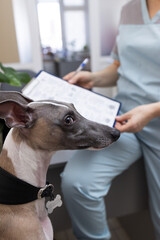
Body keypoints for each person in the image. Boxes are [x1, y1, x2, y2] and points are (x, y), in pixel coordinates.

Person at [61, 0, 160, 239]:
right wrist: (93, 78)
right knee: (78, 183)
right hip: (124, 122)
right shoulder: (129, 9)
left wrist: (152, 111)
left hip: (155, 121)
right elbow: (119, 66)